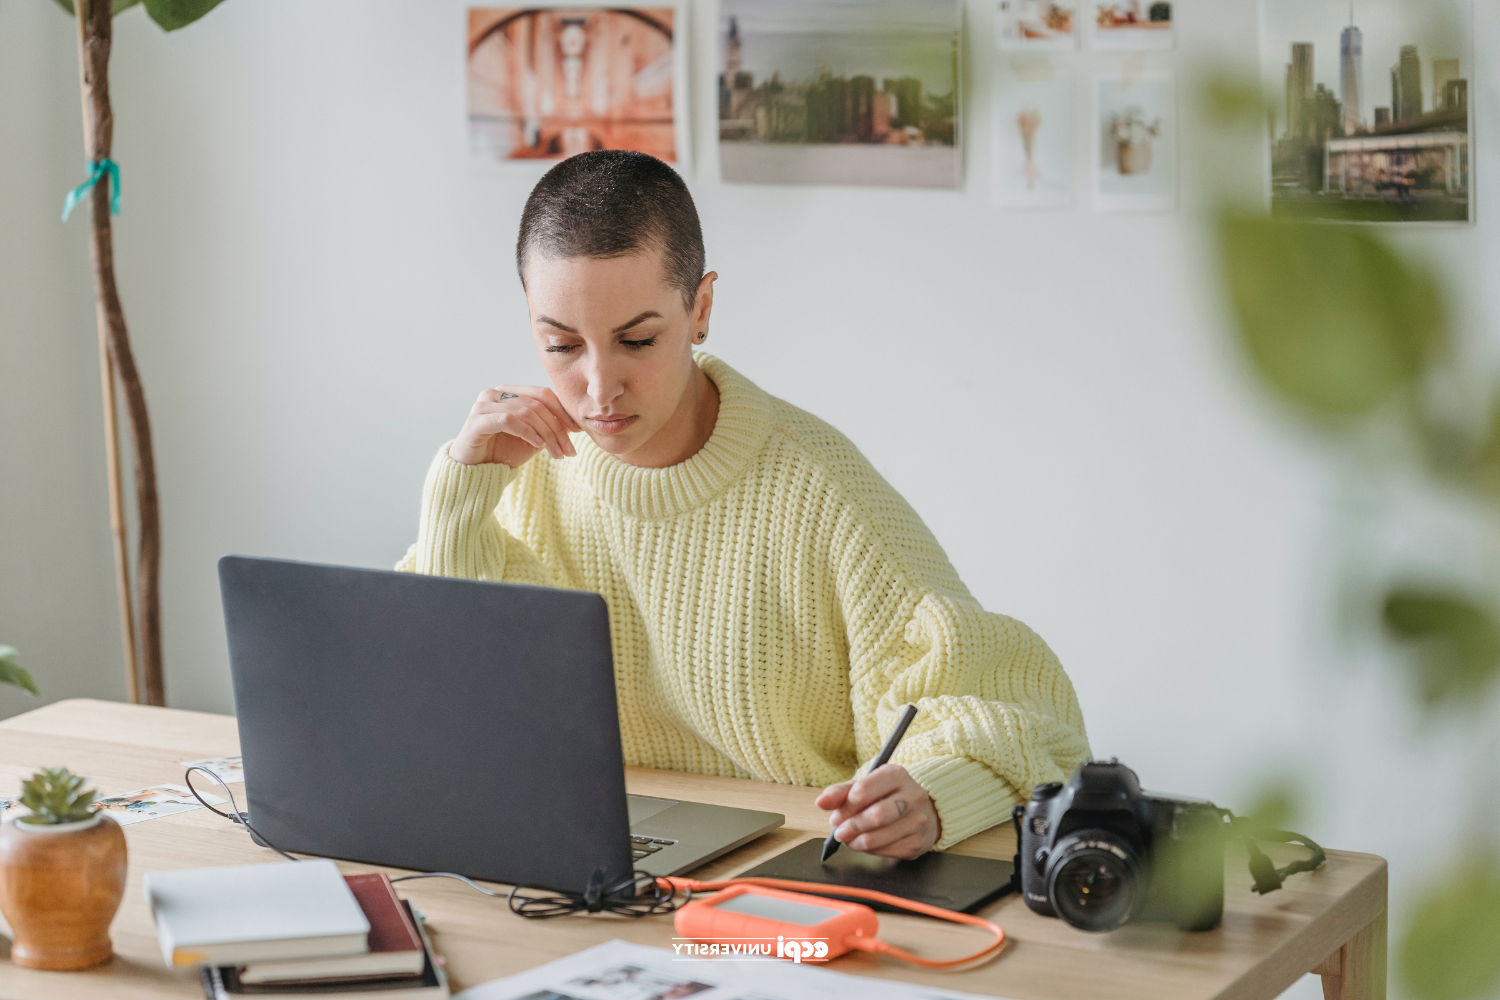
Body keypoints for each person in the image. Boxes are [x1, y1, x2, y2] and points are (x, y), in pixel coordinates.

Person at [399, 150, 1089, 860]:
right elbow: (443, 706)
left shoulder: (817, 489)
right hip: (593, 860)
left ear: (700, 308)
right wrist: (462, 484)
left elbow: (1031, 721)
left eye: (637, 340)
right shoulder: (530, 477)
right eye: (561, 344)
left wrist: (936, 794)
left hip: (790, 875)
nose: (599, 388)